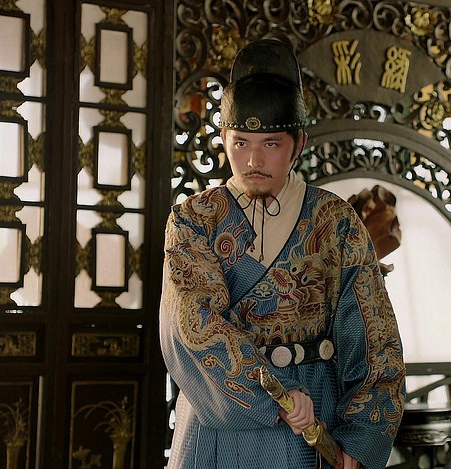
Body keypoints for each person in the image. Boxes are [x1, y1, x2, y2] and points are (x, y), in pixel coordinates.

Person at [159, 38, 406, 469]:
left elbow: (373, 335)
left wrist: (361, 437)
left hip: (315, 419)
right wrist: (274, 397)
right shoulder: (193, 220)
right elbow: (194, 326)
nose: (253, 160)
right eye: (240, 143)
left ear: (299, 143)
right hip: (220, 423)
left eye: (271, 144)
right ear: (223, 138)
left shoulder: (335, 221)